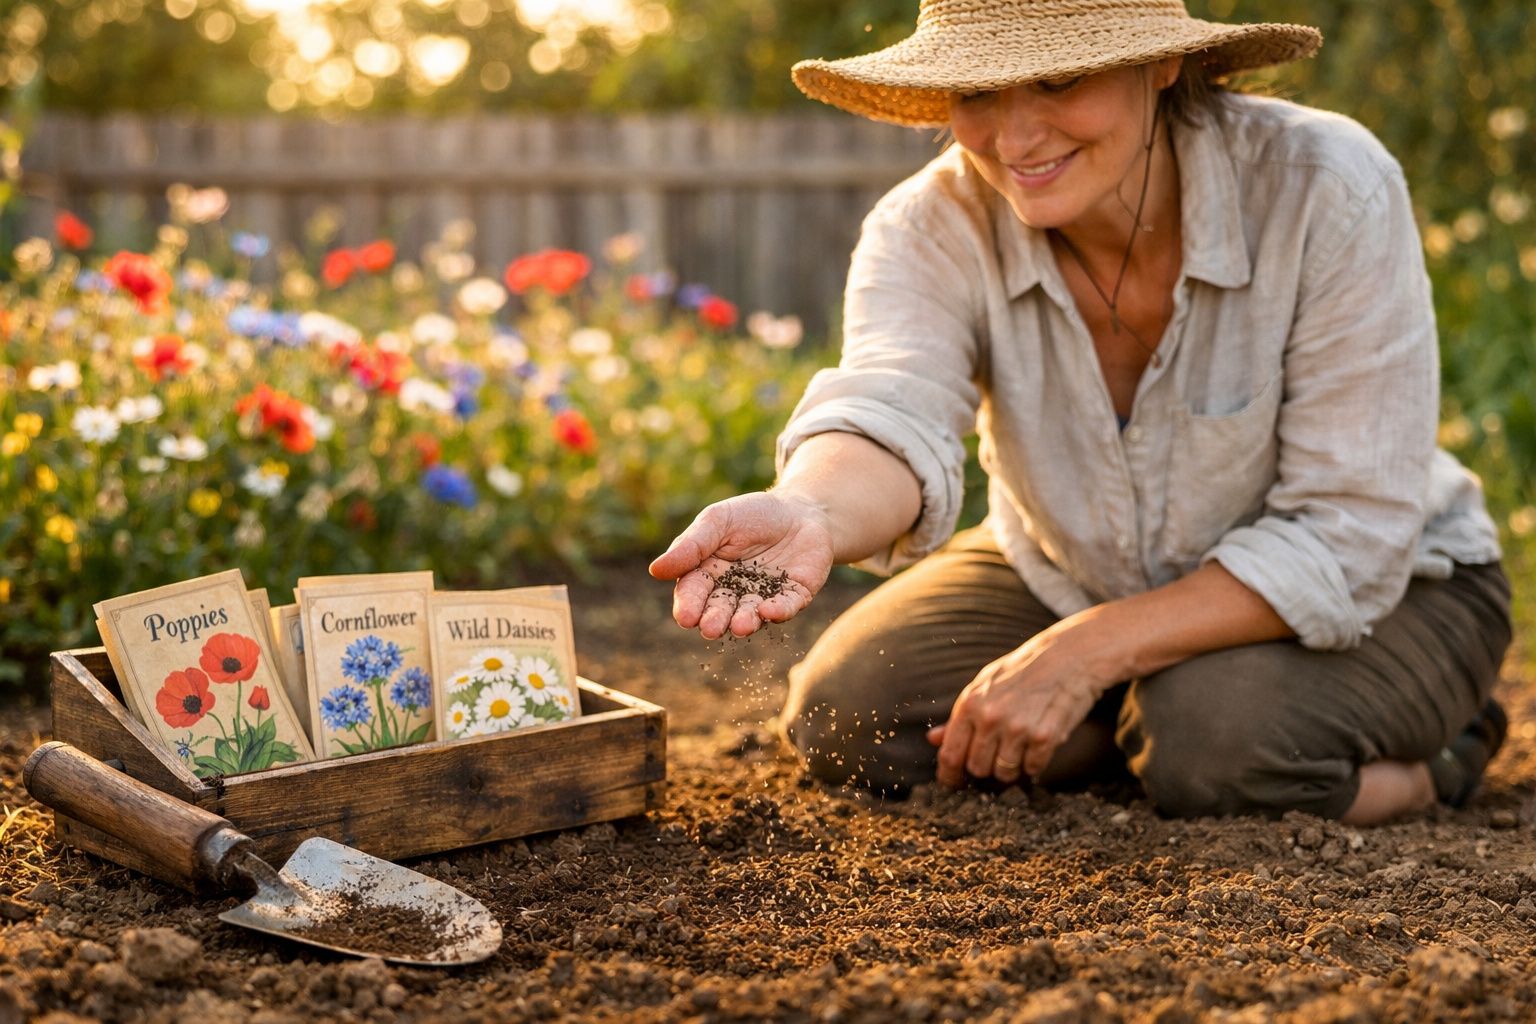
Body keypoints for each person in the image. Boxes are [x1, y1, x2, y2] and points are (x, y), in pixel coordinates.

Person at [649, 0, 1511, 824]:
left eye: (1059, 81)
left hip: (1388, 584)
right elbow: (891, 405)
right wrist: (810, 509)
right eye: (977, 92)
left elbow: (1350, 531)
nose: (1014, 137)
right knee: (850, 715)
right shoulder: (928, 224)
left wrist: (1083, 653)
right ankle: (1146, 734)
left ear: (1162, 63)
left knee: (1218, 740)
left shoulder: (1327, 184)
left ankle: (1437, 759)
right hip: (1073, 568)